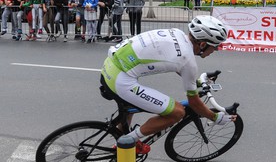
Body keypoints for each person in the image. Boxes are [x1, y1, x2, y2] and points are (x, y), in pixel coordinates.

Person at [100, 16, 235, 154]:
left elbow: (178, 67)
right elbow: (194, 103)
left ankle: (121, 137)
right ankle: (128, 142)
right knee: (177, 112)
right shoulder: (188, 60)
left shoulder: (177, 33)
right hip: (121, 80)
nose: (215, 50)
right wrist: (215, 117)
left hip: (110, 66)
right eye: (215, 46)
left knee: (129, 109)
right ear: (202, 44)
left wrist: (197, 82)